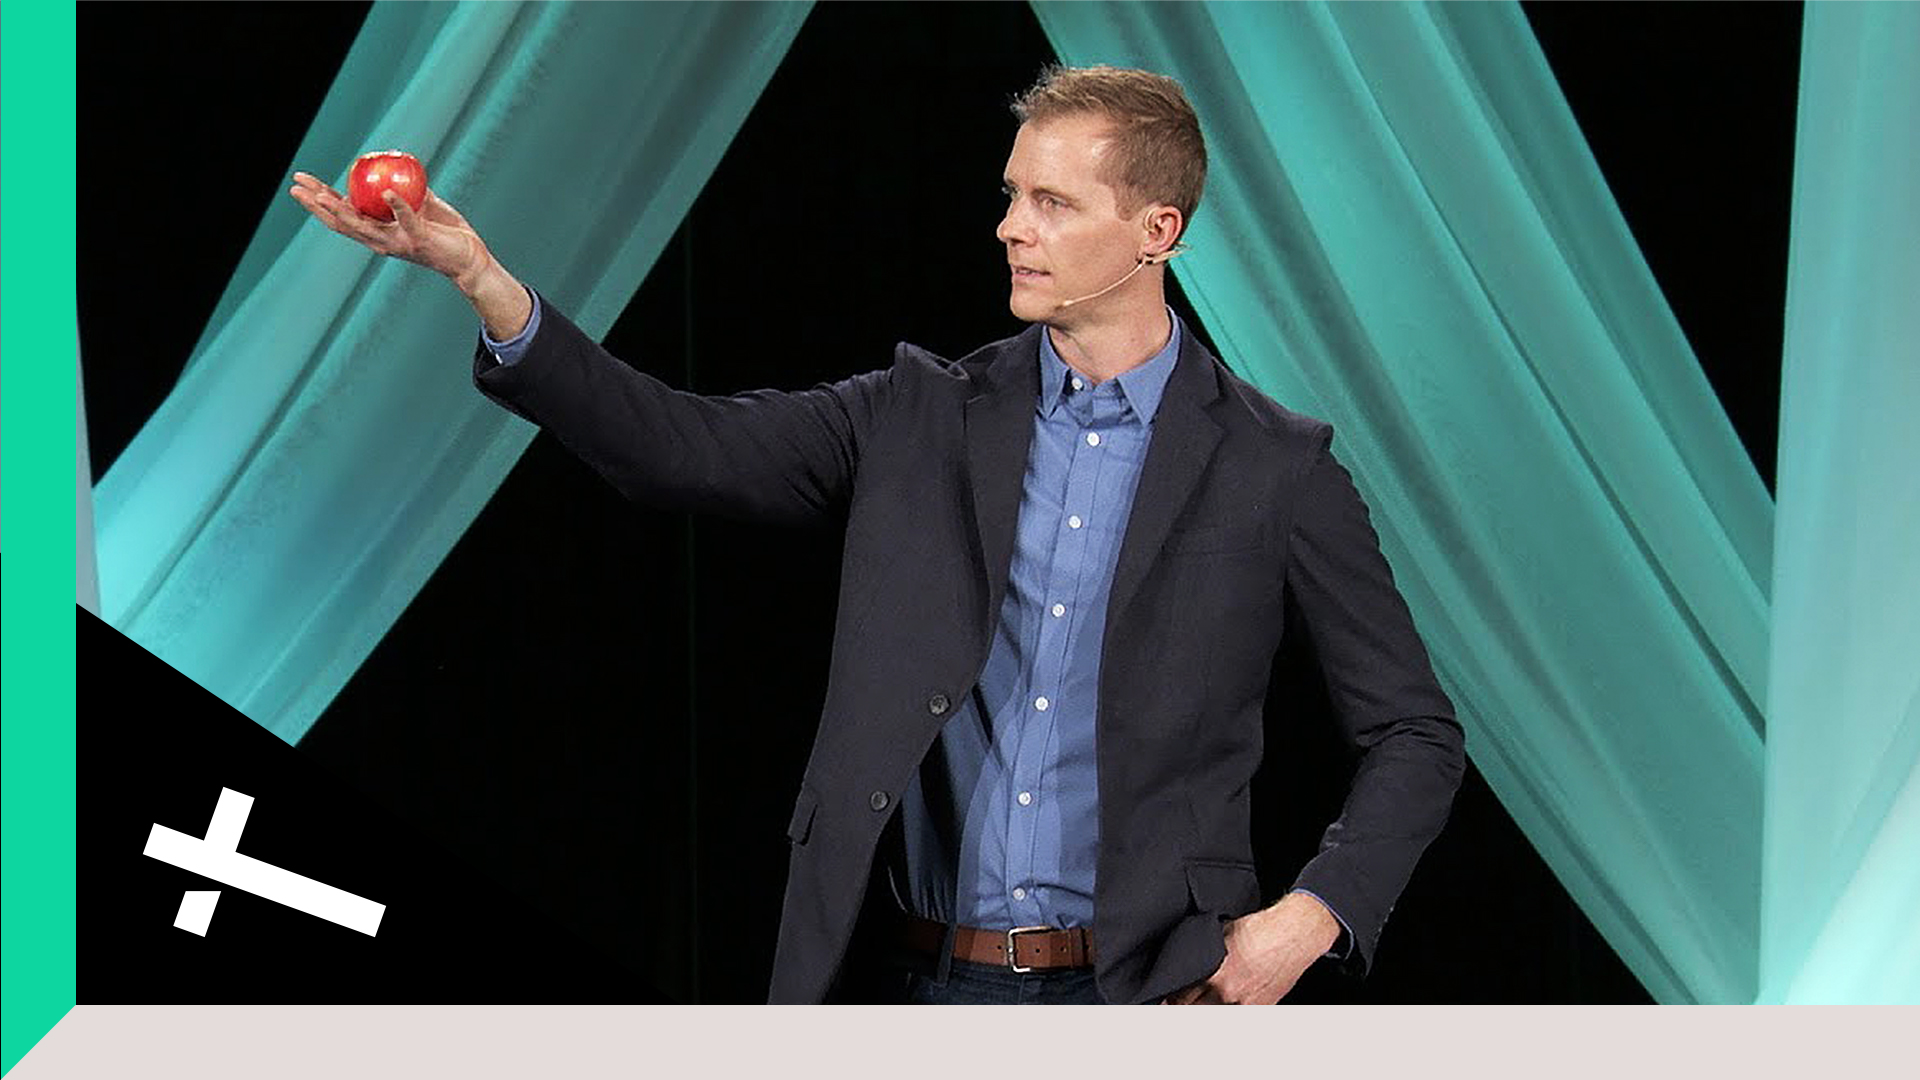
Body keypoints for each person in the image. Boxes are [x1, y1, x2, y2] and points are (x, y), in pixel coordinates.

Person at [289, 64, 1465, 1005]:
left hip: (1151, 997)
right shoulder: (919, 414)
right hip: (911, 987)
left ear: (1156, 228)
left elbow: (1414, 731)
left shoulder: (1273, 466)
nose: (1011, 227)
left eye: (1053, 204)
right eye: (1013, 193)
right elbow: (677, 448)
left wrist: (1308, 920)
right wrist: (485, 282)